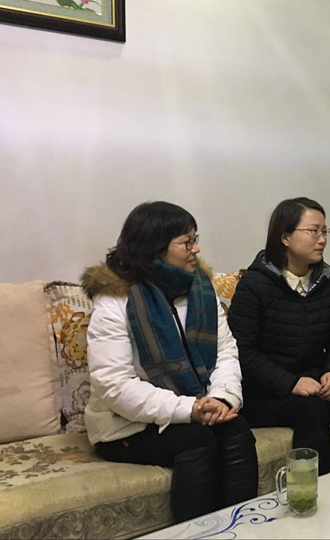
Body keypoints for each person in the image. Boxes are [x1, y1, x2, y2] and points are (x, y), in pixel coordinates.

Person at [81, 201, 258, 523]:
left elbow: (226, 352)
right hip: (124, 426)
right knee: (197, 440)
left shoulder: (201, 289)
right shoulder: (115, 300)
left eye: (195, 239)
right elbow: (114, 385)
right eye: (187, 242)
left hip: (197, 407)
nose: (196, 249)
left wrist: (220, 399)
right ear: (155, 247)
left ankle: (243, 528)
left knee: (236, 429)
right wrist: (189, 409)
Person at [227, 197, 330, 475]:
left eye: (324, 231)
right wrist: (290, 383)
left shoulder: (328, 283)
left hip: (314, 381)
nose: (322, 239)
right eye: (313, 231)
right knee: (311, 409)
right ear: (285, 237)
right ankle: (310, 492)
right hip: (263, 391)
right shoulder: (254, 285)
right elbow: (241, 351)